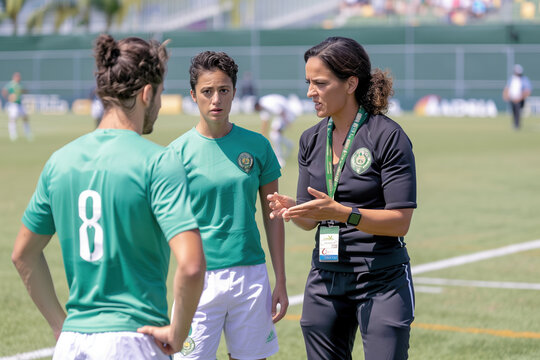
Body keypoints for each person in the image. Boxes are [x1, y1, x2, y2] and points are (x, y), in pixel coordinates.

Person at [11, 34, 206, 360]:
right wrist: (179, 332)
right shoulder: (159, 161)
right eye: (160, 93)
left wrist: (62, 327)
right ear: (147, 93)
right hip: (134, 341)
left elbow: (23, 255)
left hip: (74, 344)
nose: (160, 103)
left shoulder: (60, 161)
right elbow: (191, 265)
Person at [267, 36, 417, 360]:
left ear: (350, 83)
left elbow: (401, 222)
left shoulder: (388, 136)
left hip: (381, 277)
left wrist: (342, 212)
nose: (310, 92)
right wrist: (298, 211)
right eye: (308, 82)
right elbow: (310, 223)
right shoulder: (310, 139)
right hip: (325, 276)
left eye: (320, 83)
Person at [168, 51, 288, 360]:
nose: (216, 99)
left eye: (224, 90)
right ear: (193, 95)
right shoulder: (176, 154)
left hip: (250, 277)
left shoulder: (258, 145)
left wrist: (281, 279)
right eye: (207, 91)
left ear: (234, 91)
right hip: (198, 279)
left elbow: (272, 215)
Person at [254, 94, 296, 167]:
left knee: (275, 135)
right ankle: (289, 145)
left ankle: (279, 158)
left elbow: (281, 111)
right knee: (274, 135)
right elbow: (265, 122)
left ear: (258, 106)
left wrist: (287, 122)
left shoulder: (268, 104)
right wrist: (263, 137)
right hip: (280, 116)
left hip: (288, 113)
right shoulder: (262, 107)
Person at [2, 71, 32, 141]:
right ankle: (13, 135)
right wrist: (8, 98)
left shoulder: (20, 84)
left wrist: (24, 91)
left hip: (19, 104)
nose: (19, 78)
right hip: (13, 104)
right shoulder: (11, 84)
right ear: (14, 77)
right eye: (17, 77)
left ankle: (27, 133)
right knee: (13, 119)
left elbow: (23, 91)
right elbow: (4, 91)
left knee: (25, 117)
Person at [503, 64, 532, 130]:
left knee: (518, 112)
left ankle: (517, 125)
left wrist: (520, 98)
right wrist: (505, 95)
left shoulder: (524, 79)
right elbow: (507, 88)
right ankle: (515, 124)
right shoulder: (512, 79)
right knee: (513, 112)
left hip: (519, 99)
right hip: (512, 98)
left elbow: (527, 90)